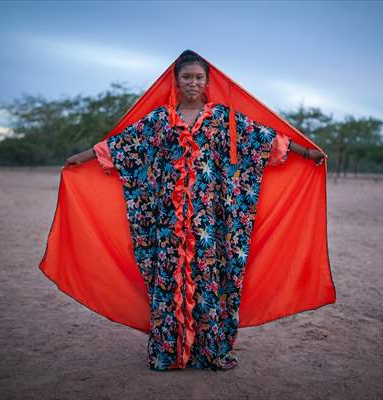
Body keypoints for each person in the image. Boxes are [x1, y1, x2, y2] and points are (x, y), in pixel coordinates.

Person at [57, 50, 328, 371]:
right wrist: (83, 156)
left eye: (199, 77)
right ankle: (167, 352)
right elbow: (122, 144)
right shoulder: (159, 120)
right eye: (187, 77)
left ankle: (211, 351)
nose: (193, 83)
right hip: (168, 220)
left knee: (209, 279)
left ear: (207, 82)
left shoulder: (222, 119)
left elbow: (264, 139)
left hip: (209, 222)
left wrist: (306, 152)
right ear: (176, 80)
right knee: (169, 279)